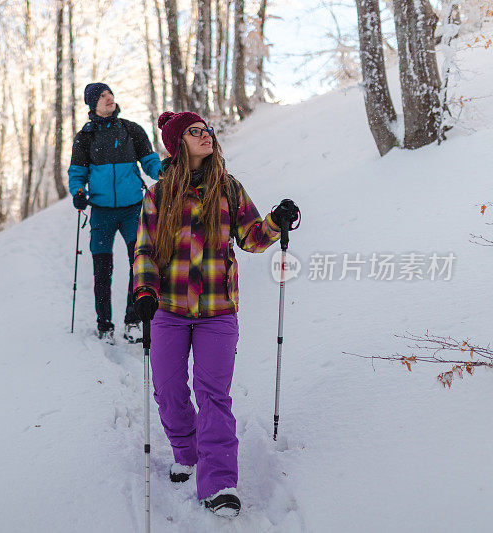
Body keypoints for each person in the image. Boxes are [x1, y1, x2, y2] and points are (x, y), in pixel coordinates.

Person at [131, 111, 300, 517]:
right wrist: (144, 290)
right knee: (169, 390)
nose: (205, 136)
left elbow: (252, 238)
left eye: (207, 130)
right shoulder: (158, 195)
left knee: (214, 396)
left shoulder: (229, 188)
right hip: (168, 308)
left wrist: (275, 223)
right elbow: (145, 248)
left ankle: (220, 482)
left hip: (217, 309)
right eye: (195, 131)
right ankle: (186, 452)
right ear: (178, 142)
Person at [68, 83, 161, 342]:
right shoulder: (85, 137)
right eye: (102, 96)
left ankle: (133, 321)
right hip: (101, 212)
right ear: (92, 104)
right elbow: (77, 174)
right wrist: (78, 192)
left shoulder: (131, 130)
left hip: (133, 210)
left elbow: (150, 160)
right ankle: (104, 325)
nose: (109, 99)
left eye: (110, 94)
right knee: (102, 269)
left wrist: (163, 172)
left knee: (139, 264)